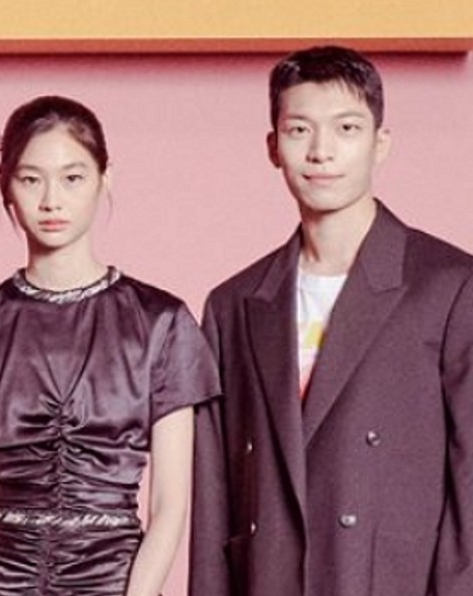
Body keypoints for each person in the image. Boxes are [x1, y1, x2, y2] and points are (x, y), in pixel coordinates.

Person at [190, 45, 473, 596]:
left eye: (346, 128)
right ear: (273, 147)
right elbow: (214, 500)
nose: (321, 152)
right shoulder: (234, 305)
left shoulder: (449, 286)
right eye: (299, 130)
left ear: (379, 143)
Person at [0, 95, 219, 596]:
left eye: (72, 178)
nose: (52, 200)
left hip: (118, 583)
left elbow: (170, 505)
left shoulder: (162, 321)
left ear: (104, 179)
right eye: (31, 179)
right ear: (7, 186)